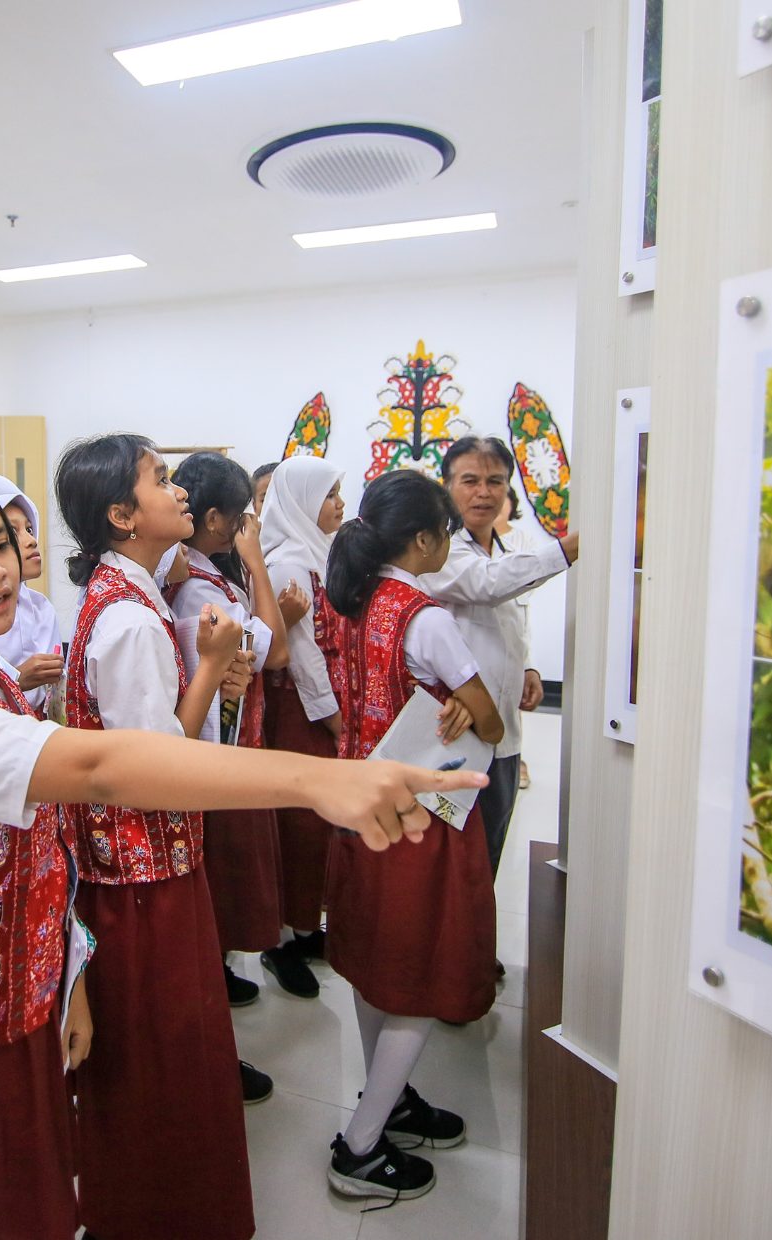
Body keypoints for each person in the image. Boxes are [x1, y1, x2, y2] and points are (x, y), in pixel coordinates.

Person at [0, 450, 489, 1240]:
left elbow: (43, 843)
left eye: (0, 545)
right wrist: (318, 779)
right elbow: (108, 768)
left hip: (11, 998)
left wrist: (68, 977)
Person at [322, 468, 505, 1203]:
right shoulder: (423, 616)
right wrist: (464, 707)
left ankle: (389, 1098)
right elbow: (490, 722)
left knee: (376, 962)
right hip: (418, 820)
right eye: (447, 534)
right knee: (420, 972)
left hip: (359, 803)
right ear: (425, 540)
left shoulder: (353, 599)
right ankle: (361, 1146)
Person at [165, 454, 305, 1017]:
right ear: (216, 520)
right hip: (219, 745)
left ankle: (218, 966)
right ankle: (213, 970)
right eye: (243, 514)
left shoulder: (202, 576)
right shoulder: (201, 589)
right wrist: (257, 563)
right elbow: (278, 652)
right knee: (226, 869)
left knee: (228, 867)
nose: (251, 523)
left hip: (227, 735)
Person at [421, 437, 578, 885]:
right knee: (454, 858)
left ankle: (475, 929)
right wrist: (568, 549)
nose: (484, 493)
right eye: (470, 481)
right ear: (447, 486)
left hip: (505, 731)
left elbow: (511, 616)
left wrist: (527, 665)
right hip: (457, 730)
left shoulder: (505, 552)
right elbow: (487, 584)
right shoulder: (442, 550)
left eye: (495, 481)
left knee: (491, 848)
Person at [256, 454, 347, 996]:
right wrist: (335, 720)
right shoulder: (289, 563)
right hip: (300, 710)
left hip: (320, 705)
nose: (340, 503)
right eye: (329, 494)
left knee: (318, 822)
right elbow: (304, 657)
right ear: (303, 501)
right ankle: (281, 941)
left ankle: (306, 926)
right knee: (298, 824)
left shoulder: (319, 551)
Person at [0, 466, 64, 713]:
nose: (31, 541)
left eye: (29, 529)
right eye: (12, 533)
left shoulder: (42, 608)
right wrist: (16, 680)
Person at [494, 484, 540, 788]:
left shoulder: (522, 539)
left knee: (512, 697)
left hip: (514, 620)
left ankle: (516, 757)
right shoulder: (459, 540)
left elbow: (529, 577)